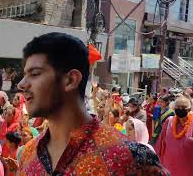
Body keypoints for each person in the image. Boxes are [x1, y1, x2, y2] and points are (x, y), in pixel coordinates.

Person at [17, 33, 169, 175]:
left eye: (35, 74)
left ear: (70, 80)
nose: (21, 84)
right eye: (25, 75)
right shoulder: (28, 154)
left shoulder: (131, 158)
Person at [155, 96, 193, 176]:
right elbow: (160, 143)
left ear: (189, 109)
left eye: (183, 107)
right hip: (168, 167)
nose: (179, 109)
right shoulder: (169, 121)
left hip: (187, 169)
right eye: (177, 107)